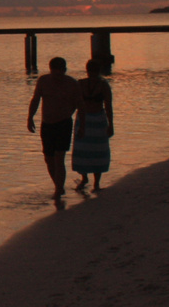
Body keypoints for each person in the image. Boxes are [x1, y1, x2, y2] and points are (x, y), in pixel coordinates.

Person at [27, 56, 80, 199]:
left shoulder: (71, 83)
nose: (57, 76)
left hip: (63, 123)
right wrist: (30, 117)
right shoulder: (44, 81)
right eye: (55, 72)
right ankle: (58, 185)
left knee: (59, 157)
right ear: (51, 70)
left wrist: (75, 117)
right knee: (48, 158)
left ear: (64, 70)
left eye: (60, 73)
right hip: (47, 123)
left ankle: (59, 188)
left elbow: (79, 104)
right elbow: (36, 99)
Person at [73, 59, 114, 191]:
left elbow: (75, 104)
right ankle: (96, 183)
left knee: (82, 150)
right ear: (99, 70)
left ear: (87, 70)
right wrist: (111, 124)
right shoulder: (103, 85)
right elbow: (108, 106)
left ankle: (84, 178)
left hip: (83, 118)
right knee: (98, 151)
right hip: (98, 119)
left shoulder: (80, 84)